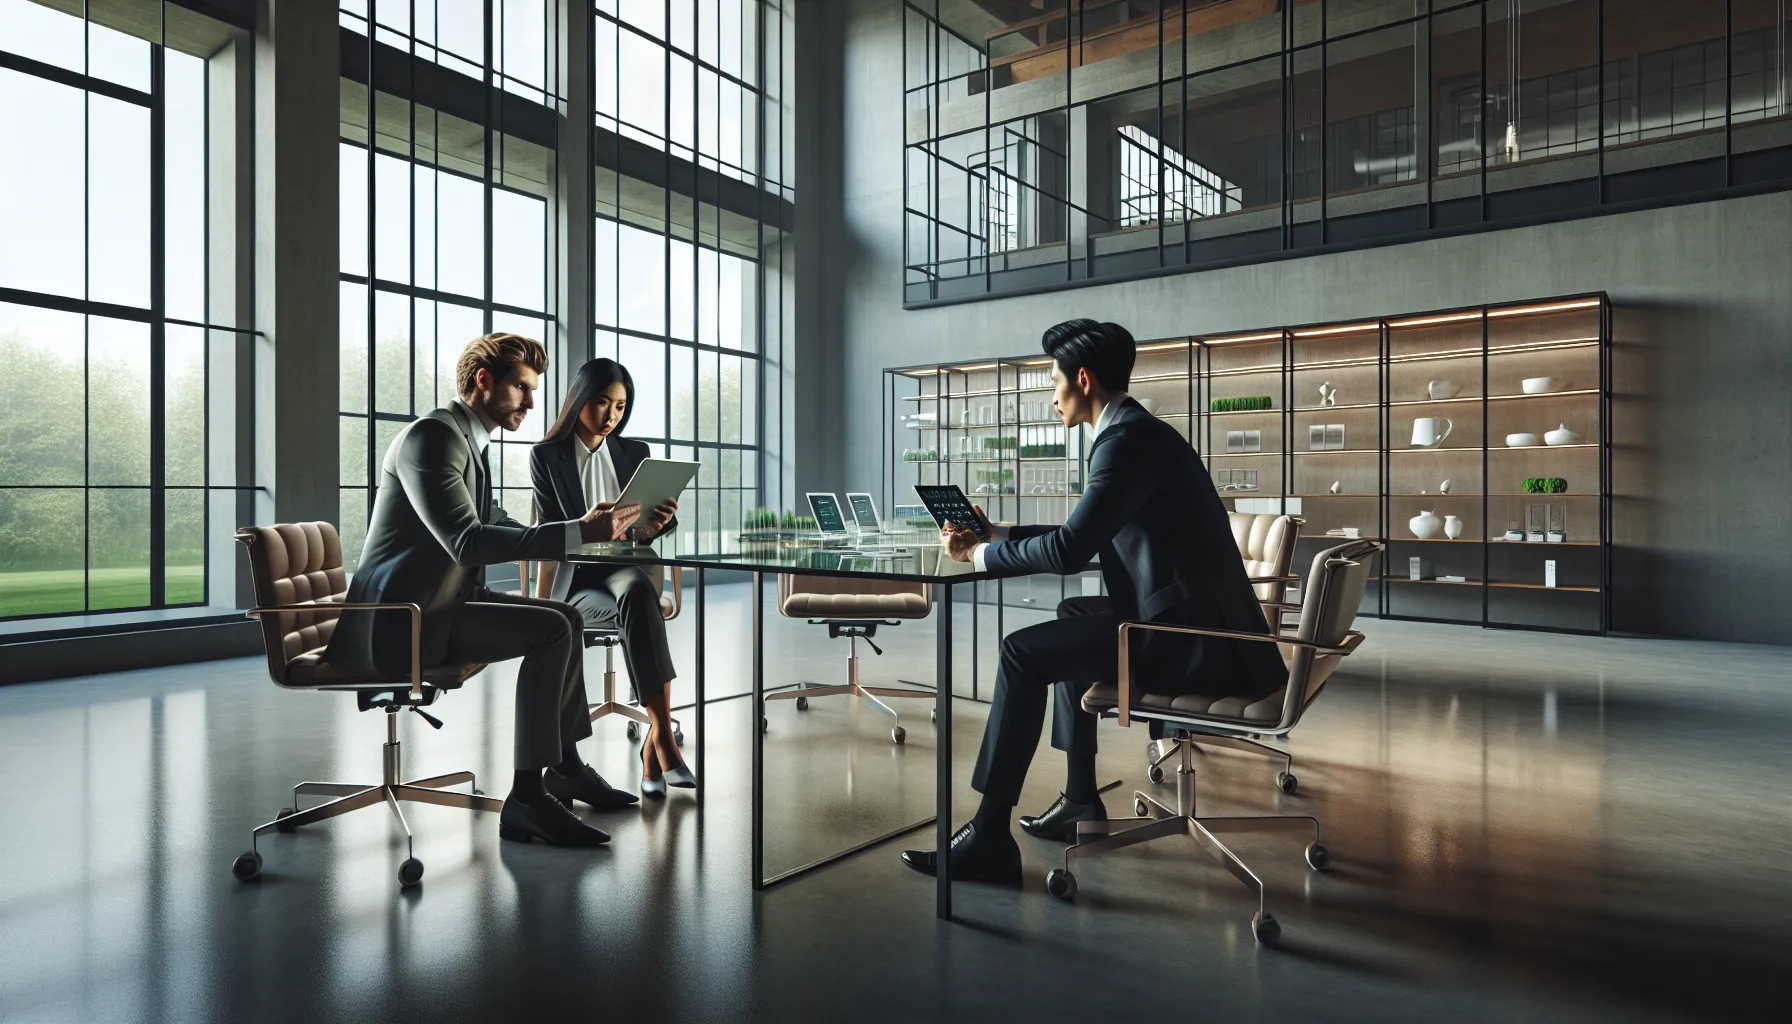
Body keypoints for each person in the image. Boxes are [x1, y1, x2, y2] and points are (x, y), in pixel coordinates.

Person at [900, 319, 1286, 884]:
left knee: (1021, 653)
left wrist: (977, 555)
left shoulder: (1125, 443)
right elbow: (1086, 532)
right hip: (1196, 624)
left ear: (1082, 379)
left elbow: (1068, 549)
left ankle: (988, 834)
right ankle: (1081, 798)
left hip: (1194, 644)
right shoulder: (1138, 432)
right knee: (1072, 616)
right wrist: (1000, 532)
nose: (1051, 395)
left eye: (1054, 381)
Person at [326, 333, 644, 849]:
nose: (533, 402)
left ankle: (565, 767)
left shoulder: (466, 441)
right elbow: (467, 541)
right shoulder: (432, 438)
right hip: (402, 621)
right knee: (550, 631)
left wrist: (581, 533)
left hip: (443, 604)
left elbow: (494, 520)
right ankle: (526, 799)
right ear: (483, 381)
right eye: (521, 388)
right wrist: (579, 532)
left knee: (567, 618)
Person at [530, 357, 693, 798]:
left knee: (638, 591)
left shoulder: (633, 452)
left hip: (628, 564)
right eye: (602, 403)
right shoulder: (546, 457)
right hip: (579, 574)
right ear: (580, 400)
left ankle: (657, 736)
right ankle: (659, 743)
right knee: (639, 604)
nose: (610, 416)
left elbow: (648, 527)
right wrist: (547, 600)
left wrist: (660, 523)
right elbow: (551, 533)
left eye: (620, 407)